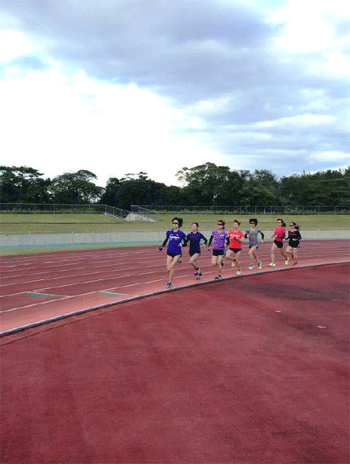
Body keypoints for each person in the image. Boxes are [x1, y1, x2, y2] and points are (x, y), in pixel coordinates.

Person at [159, 217, 187, 288]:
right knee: (168, 268)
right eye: (173, 223)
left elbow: (186, 243)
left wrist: (181, 244)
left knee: (172, 266)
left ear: (179, 224)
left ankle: (169, 283)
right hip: (169, 251)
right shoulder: (169, 232)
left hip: (177, 252)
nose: (174, 224)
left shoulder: (181, 233)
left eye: (176, 223)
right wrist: (162, 246)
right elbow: (166, 239)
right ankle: (170, 281)